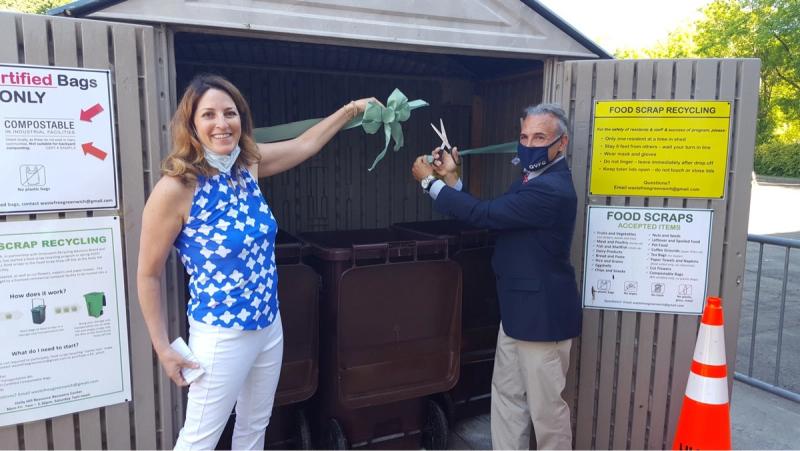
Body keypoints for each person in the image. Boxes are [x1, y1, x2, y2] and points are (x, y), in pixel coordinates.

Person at [137, 73, 375, 450]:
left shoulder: (246, 166)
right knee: (199, 439)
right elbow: (148, 275)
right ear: (191, 124)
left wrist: (351, 110)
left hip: (268, 324)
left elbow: (304, 145)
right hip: (221, 334)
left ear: (241, 121)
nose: (221, 123)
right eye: (209, 115)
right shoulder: (177, 187)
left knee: (254, 427)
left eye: (230, 113)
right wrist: (163, 347)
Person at [411, 103, 582, 450]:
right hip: (517, 312)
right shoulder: (531, 180)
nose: (529, 144)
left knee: (547, 413)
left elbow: (486, 215)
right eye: (524, 136)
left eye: (539, 137)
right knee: (506, 398)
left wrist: (430, 183)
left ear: (560, 144)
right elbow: (496, 216)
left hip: (543, 319)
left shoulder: (552, 189)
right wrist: (453, 181)